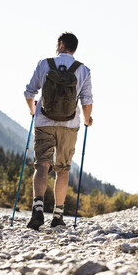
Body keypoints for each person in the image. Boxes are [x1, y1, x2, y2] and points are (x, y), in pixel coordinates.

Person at [24, 32, 93, 230]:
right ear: (74, 48)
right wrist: (87, 121)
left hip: (44, 122)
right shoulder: (83, 70)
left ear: (61, 44)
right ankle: (58, 215)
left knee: (42, 165)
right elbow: (87, 102)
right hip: (70, 126)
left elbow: (29, 93)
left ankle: (37, 210)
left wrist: (32, 111)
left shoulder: (44, 64)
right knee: (62, 169)